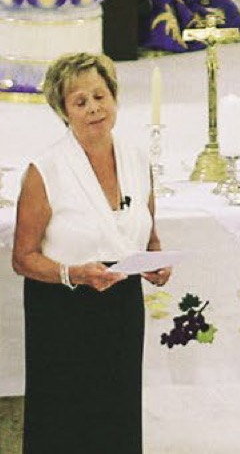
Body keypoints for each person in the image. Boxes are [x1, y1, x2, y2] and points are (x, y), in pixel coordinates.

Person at [12, 52, 172, 454]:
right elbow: (23, 257)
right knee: (65, 423)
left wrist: (155, 261)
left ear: (114, 98)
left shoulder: (137, 158)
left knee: (117, 416)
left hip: (121, 307)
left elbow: (147, 232)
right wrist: (73, 274)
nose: (94, 108)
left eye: (100, 96)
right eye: (80, 101)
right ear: (64, 112)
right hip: (62, 310)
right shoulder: (44, 170)